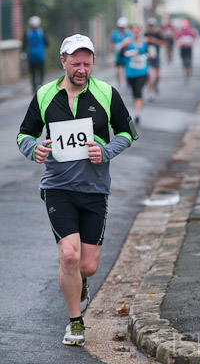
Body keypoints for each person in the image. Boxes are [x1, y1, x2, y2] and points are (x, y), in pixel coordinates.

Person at [17, 34, 137, 347]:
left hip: (95, 189)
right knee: (69, 257)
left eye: (87, 63)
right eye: (75, 63)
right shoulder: (45, 94)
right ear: (63, 62)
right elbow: (23, 136)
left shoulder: (106, 93)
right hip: (58, 187)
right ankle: (75, 322)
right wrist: (34, 150)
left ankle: (80, 283)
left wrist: (106, 151)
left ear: (93, 63)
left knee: (88, 266)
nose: (81, 69)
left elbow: (127, 132)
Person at [119, 24, 149, 125]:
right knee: (134, 93)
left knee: (138, 91)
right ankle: (137, 110)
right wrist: (129, 51)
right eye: (134, 30)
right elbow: (121, 54)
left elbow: (148, 52)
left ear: (140, 32)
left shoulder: (144, 42)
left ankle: (138, 114)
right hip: (130, 72)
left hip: (142, 71)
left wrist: (149, 55)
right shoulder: (127, 42)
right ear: (131, 32)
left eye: (137, 30)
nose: (136, 32)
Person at [22, 16, 48, 93]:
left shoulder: (27, 33)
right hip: (40, 55)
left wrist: (23, 52)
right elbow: (47, 43)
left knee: (33, 72)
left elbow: (24, 44)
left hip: (31, 56)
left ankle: (34, 87)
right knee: (41, 70)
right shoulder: (42, 32)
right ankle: (40, 84)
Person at [144, 18, 166, 100]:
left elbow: (164, 43)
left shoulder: (158, 34)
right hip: (148, 58)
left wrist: (154, 41)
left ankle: (155, 85)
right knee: (149, 76)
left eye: (152, 26)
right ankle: (151, 91)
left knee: (157, 76)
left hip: (156, 57)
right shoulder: (145, 35)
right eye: (150, 26)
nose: (151, 28)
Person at [110, 17, 132, 87]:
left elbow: (130, 43)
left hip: (125, 56)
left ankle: (127, 85)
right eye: (120, 27)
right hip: (118, 56)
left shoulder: (128, 34)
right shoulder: (115, 33)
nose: (121, 28)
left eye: (123, 27)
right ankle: (119, 84)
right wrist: (113, 48)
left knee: (125, 72)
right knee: (118, 71)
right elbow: (112, 43)